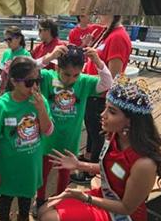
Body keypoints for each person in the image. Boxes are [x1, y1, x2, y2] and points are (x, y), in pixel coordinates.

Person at [39, 77, 161, 221]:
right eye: (105, 108)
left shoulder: (144, 163)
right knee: (44, 210)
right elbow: (112, 169)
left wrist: (85, 198)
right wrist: (79, 165)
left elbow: (126, 208)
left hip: (123, 218)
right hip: (105, 196)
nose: (102, 114)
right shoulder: (114, 136)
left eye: (111, 111)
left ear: (130, 121)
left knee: (48, 220)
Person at [34, 44, 113, 212]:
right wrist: (48, 57)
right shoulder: (47, 77)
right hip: (47, 138)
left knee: (64, 174)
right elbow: (28, 70)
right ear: (57, 67)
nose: (70, 79)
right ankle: (40, 199)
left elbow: (107, 83)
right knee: (43, 173)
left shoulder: (84, 82)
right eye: (66, 74)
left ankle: (60, 201)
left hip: (70, 139)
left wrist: (98, 62)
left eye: (75, 74)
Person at [0, 56, 53, 221]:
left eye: (38, 81)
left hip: (30, 167)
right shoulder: (2, 106)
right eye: (29, 82)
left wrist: (41, 110)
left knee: (25, 201)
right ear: (14, 81)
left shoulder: (40, 102)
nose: (35, 87)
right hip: (7, 168)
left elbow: (48, 131)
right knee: (5, 201)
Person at [73, 15, 132, 185]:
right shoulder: (107, 31)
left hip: (100, 96)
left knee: (98, 134)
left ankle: (91, 172)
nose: (97, 14)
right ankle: (89, 157)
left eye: (103, 11)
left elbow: (113, 76)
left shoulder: (118, 37)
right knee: (92, 131)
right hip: (93, 93)